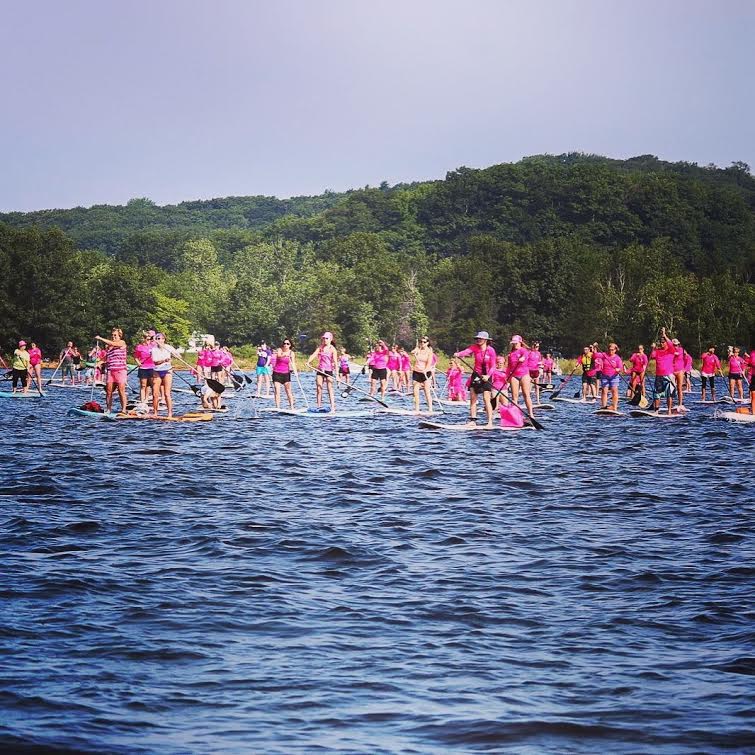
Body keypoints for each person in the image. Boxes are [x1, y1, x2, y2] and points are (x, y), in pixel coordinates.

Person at [455, 330, 496, 426]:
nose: (478, 340)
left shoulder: (490, 350)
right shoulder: (474, 347)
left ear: (485, 340)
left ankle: (489, 422)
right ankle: (473, 421)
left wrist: (488, 376)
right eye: (477, 338)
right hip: (476, 375)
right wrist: (458, 354)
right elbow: (466, 351)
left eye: (480, 339)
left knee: (486, 399)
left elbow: (493, 366)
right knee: (473, 397)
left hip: (487, 375)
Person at [95, 328, 128, 414]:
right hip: (111, 370)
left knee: (121, 390)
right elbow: (106, 358)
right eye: (112, 335)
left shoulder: (122, 343)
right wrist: (99, 363)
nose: (113, 337)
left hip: (120, 370)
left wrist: (101, 338)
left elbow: (113, 343)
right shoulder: (109, 348)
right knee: (109, 391)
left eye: (115, 335)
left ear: (119, 336)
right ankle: (108, 409)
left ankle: (123, 409)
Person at [307, 332, 339, 412]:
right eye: (324, 338)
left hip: (329, 371)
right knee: (319, 387)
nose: (325, 340)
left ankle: (333, 407)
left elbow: (335, 362)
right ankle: (319, 406)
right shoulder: (320, 347)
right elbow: (314, 355)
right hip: (320, 370)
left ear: (330, 339)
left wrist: (337, 375)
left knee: (329, 388)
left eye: (326, 338)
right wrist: (308, 361)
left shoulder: (332, 349)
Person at [505, 335, 535, 419]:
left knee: (526, 394)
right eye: (513, 343)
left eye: (516, 343)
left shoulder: (523, 350)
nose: (514, 345)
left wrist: (522, 358)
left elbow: (525, 356)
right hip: (514, 376)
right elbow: (509, 368)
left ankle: (531, 414)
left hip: (524, 374)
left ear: (520, 342)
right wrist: (507, 380)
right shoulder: (510, 354)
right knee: (514, 397)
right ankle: (515, 416)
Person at [150, 332, 179, 417]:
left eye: (161, 339)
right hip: (157, 371)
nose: (159, 340)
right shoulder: (154, 349)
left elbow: (178, 356)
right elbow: (155, 362)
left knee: (167, 394)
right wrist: (164, 360)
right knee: (155, 394)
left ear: (164, 339)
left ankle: (169, 413)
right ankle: (155, 413)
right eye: (157, 339)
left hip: (167, 371)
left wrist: (176, 355)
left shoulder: (168, 347)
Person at [650, 328, 676, 413]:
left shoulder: (670, 350)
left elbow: (671, 343)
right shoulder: (657, 351)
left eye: (663, 342)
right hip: (659, 375)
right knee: (656, 393)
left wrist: (664, 335)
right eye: (661, 342)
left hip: (668, 375)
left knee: (669, 394)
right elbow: (652, 356)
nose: (662, 343)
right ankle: (656, 411)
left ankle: (669, 411)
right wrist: (653, 348)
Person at [271, 338, 297, 409]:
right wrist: (284, 354)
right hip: (277, 373)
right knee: (277, 389)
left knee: (288, 391)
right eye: (284, 343)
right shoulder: (280, 350)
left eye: (287, 344)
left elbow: (293, 363)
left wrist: (295, 372)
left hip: (286, 374)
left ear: (290, 345)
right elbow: (279, 356)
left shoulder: (291, 353)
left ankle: (292, 407)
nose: (285, 345)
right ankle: (278, 407)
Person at [410, 337, 434, 412]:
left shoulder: (430, 352)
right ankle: (417, 409)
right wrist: (414, 352)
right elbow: (412, 351)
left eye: (424, 342)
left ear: (427, 343)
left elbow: (429, 363)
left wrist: (425, 370)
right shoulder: (418, 349)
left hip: (426, 372)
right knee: (415, 391)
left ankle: (430, 409)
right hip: (416, 371)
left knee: (426, 391)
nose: (422, 343)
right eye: (421, 342)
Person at [599, 343, 625, 411]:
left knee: (614, 391)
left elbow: (621, 367)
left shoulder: (617, 358)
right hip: (605, 376)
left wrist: (618, 369)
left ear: (615, 350)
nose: (611, 351)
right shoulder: (604, 355)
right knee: (604, 391)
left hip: (614, 376)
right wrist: (594, 349)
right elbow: (596, 355)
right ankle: (604, 406)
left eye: (612, 350)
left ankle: (614, 407)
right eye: (609, 349)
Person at [134, 331, 155, 404]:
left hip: (152, 367)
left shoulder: (153, 346)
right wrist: (138, 363)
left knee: (152, 385)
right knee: (143, 385)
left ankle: (151, 399)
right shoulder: (139, 347)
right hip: (143, 368)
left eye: (149, 339)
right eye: (146, 339)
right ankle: (142, 401)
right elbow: (136, 357)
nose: (148, 341)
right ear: (143, 339)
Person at [527, 340, 543, 404]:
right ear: (533, 346)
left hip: (536, 370)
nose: (537, 348)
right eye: (536, 347)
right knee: (530, 386)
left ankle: (538, 401)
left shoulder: (538, 353)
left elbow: (540, 361)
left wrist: (540, 365)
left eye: (538, 347)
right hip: (529, 370)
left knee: (537, 386)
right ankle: (529, 401)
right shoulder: (529, 353)